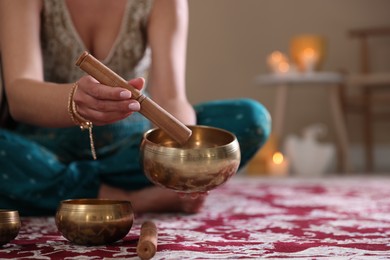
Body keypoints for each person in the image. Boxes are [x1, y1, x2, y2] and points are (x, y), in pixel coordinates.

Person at [0, 0, 271, 216]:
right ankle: (127, 198)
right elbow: (19, 98)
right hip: (44, 148)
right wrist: (75, 100)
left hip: (131, 151)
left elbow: (170, 97)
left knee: (250, 118)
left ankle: (59, 189)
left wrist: (185, 159)